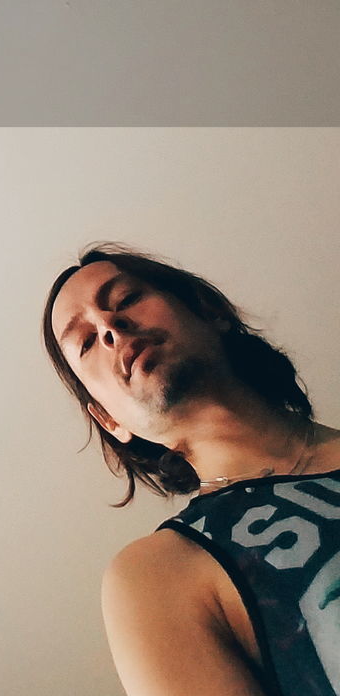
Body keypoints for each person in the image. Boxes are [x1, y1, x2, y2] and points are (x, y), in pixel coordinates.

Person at [43, 243, 340, 696]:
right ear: (109, 420)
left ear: (210, 309)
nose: (109, 327)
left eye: (125, 300)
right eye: (85, 341)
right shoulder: (160, 576)